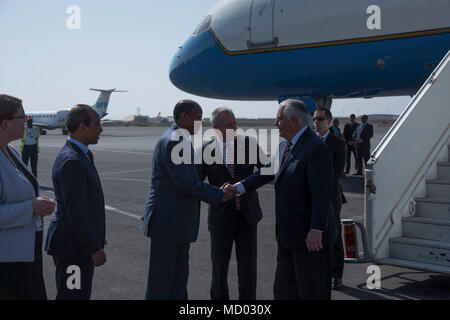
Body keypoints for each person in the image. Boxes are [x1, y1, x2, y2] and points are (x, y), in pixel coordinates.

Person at [228, 99, 336, 300]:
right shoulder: (285, 147)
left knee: (312, 293)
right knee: (284, 292)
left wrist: (317, 229)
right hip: (288, 237)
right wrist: (237, 188)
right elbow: (265, 173)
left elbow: (321, 194)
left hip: (309, 239)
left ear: (293, 120)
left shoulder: (315, 148)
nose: (275, 124)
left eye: (279, 119)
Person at [142, 100, 235, 300]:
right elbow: (187, 184)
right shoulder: (175, 141)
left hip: (176, 224)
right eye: (198, 118)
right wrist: (220, 194)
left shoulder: (179, 139)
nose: (201, 123)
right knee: (162, 284)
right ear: (183, 117)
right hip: (169, 224)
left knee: (176, 282)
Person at [201, 107, 265, 300]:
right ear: (215, 128)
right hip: (221, 219)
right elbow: (196, 185)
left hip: (247, 217)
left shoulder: (250, 144)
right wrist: (219, 194)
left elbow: (268, 170)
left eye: (235, 122)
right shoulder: (204, 151)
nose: (235, 127)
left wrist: (242, 186)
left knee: (248, 271)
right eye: (229, 124)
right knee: (219, 270)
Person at [44, 105, 106, 300]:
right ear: (81, 127)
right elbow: (76, 211)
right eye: (97, 124)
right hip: (72, 247)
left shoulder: (82, 154)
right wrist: (93, 247)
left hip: (76, 245)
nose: (100, 129)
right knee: (72, 296)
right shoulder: (72, 160)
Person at [0, 94, 54, 300]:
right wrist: (31, 208)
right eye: (21, 116)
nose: (27, 120)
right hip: (9, 263)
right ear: (5, 123)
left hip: (24, 255)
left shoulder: (10, 150)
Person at [313, 108, 347, 290]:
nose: (316, 122)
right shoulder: (310, 141)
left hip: (330, 196)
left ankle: (336, 274)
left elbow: (338, 172)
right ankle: (319, 272)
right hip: (311, 196)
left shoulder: (337, 144)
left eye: (320, 119)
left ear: (329, 121)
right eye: (314, 119)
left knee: (333, 235)